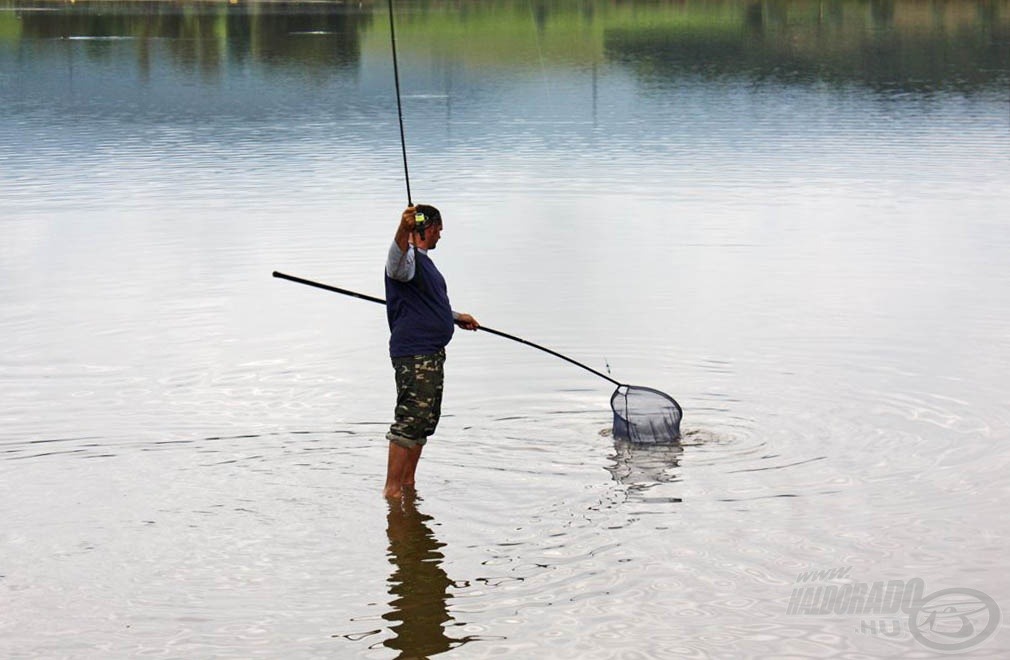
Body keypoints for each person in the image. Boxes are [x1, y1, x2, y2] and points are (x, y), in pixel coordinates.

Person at [383, 204, 478, 498]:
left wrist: (454, 316)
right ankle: (392, 490)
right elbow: (395, 260)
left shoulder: (425, 264)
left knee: (425, 420)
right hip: (414, 354)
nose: (440, 235)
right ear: (429, 228)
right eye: (439, 229)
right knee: (410, 420)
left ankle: (408, 484)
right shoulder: (406, 261)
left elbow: (425, 303)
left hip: (431, 354)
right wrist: (403, 228)